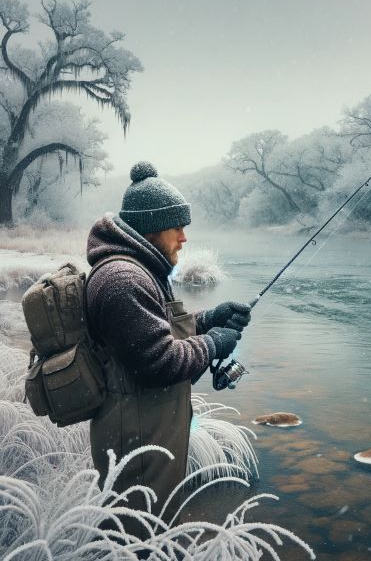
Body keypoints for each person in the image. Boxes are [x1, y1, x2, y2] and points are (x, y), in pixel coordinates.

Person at [85, 161, 251, 538]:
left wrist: (210, 318)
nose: (184, 237)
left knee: (154, 526)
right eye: (177, 226)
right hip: (137, 437)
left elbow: (154, 330)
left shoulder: (139, 269)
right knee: (138, 536)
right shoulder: (122, 279)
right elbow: (158, 361)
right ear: (151, 227)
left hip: (149, 429)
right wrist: (213, 344)